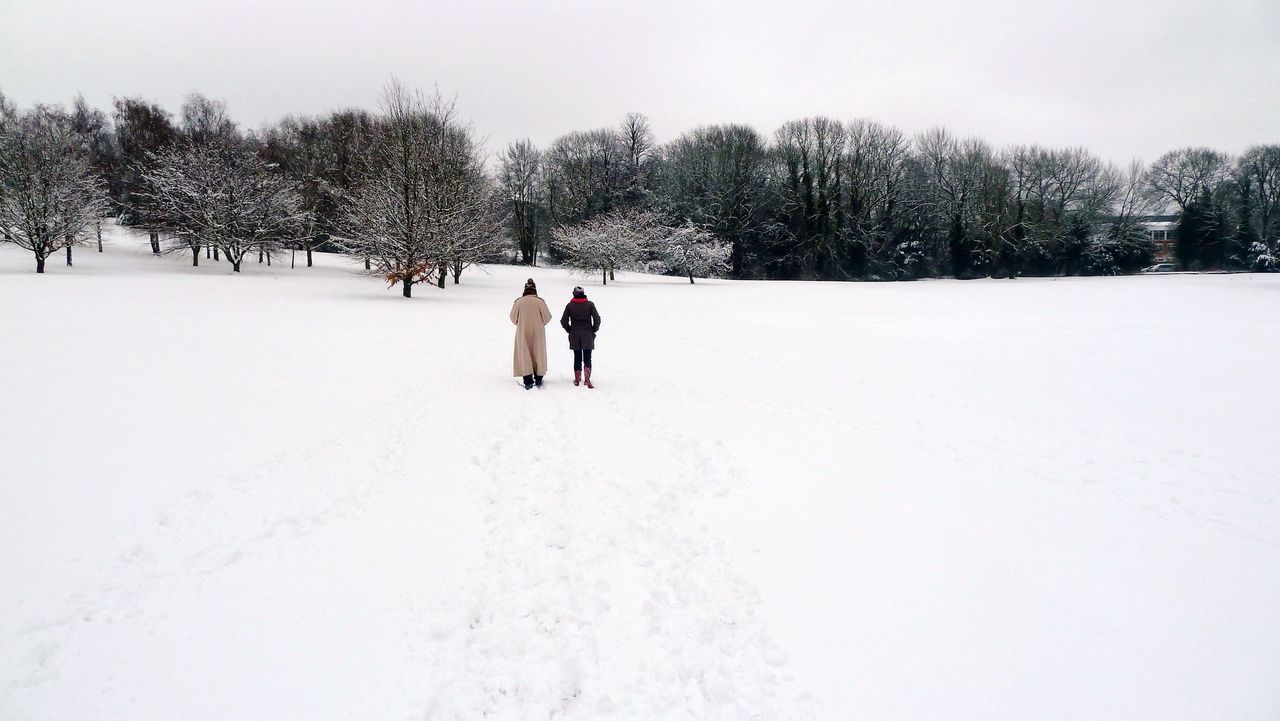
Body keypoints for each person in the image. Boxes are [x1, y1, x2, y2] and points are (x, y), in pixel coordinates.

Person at [510, 279, 551, 389]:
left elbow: (513, 319)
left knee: (524, 353)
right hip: (538, 332)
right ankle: (538, 377)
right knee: (538, 352)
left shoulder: (519, 302)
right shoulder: (540, 302)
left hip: (523, 331)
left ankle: (527, 378)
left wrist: (520, 322)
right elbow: (548, 317)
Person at [560, 286, 601, 388]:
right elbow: (597, 319)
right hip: (587, 334)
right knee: (588, 358)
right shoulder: (590, 305)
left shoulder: (570, 306)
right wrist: (593, 330)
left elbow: (563, 321)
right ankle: (587, 379)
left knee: (577, 358)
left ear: (574, 294)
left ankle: (577, 379)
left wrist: (570, 330)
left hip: (575, 334)